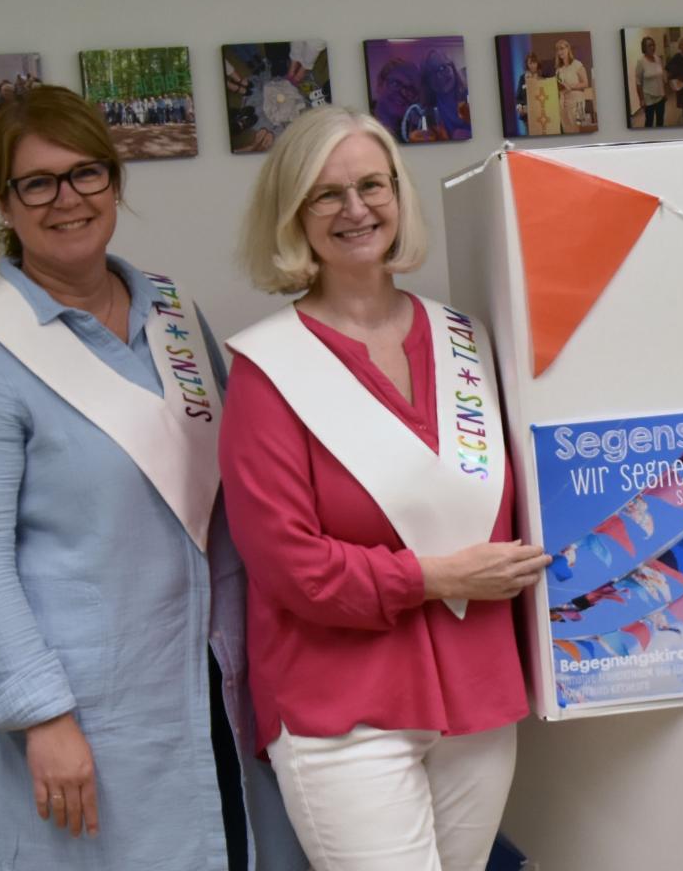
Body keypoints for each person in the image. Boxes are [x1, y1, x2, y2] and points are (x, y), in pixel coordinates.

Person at [0, 85, 304, 870]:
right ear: (5, 200)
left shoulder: (172, 313)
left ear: (115, 182)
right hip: (88, 713)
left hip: (218, 687)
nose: (68, 199)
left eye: (86, 173)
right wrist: (43, 717)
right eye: (38, 182)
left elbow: (239, 488)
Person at [222, 107, 550, 870]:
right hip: (344, 709)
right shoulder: (269, 371)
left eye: (373, 185)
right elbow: (289, 565)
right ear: (294, 216)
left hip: (476, 694)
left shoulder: (467, 341)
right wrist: (436, 578)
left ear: (399, 197)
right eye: (326, 194)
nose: (356, 209)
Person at [554, 38, 592, 133]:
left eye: (562, 48)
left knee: (578, 129)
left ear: (568, 49)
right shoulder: (559, 69)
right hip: (563, 103)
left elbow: (585, 83)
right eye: (558, 49)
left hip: (576, 102)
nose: (560, 51)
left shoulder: (577, 64)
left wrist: (570, 86)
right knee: (567, 131)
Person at [632, 35, 668, 128]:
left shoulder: (658, 59)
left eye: (653, 45)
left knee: (660, 121)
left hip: (660, 96)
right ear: (644, 48)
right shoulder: (641, 62)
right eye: (649, 45)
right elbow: (638, 82)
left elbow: (661, 77)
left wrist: (664, 92)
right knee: (649, 122)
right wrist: (641, 100)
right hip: (649, 98)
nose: (652, 47)